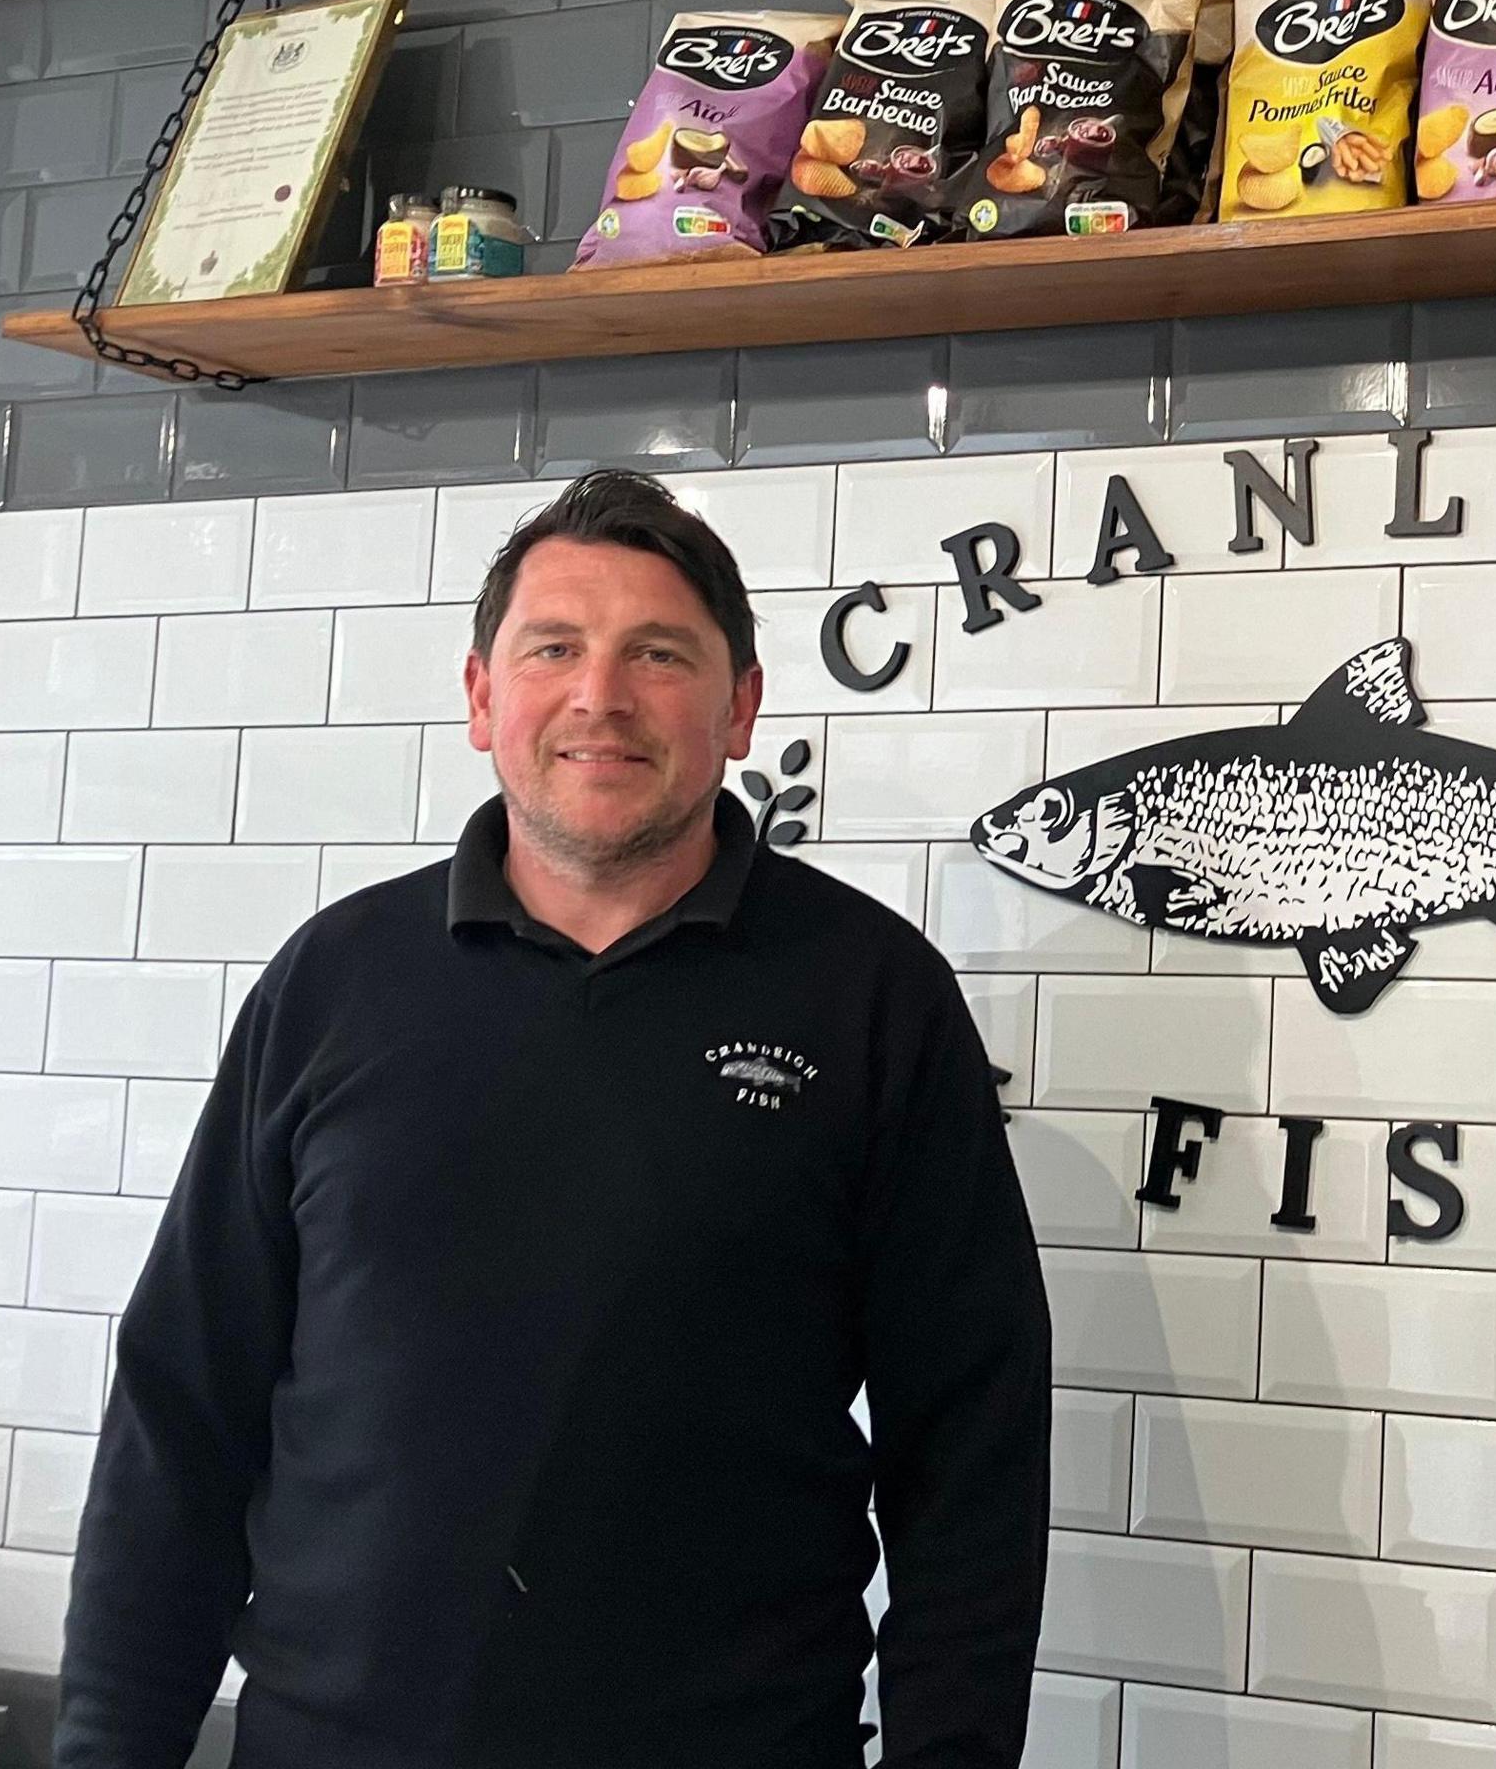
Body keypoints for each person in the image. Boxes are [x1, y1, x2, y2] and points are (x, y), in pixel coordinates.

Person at [57, 469, 1051, 1768]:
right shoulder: (335, 982)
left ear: (741, 706)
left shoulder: (871, 997)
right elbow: (182, 1414)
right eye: (554, 650)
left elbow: (972, 1446)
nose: (601, 697)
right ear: (482, 698)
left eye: (659, 654)